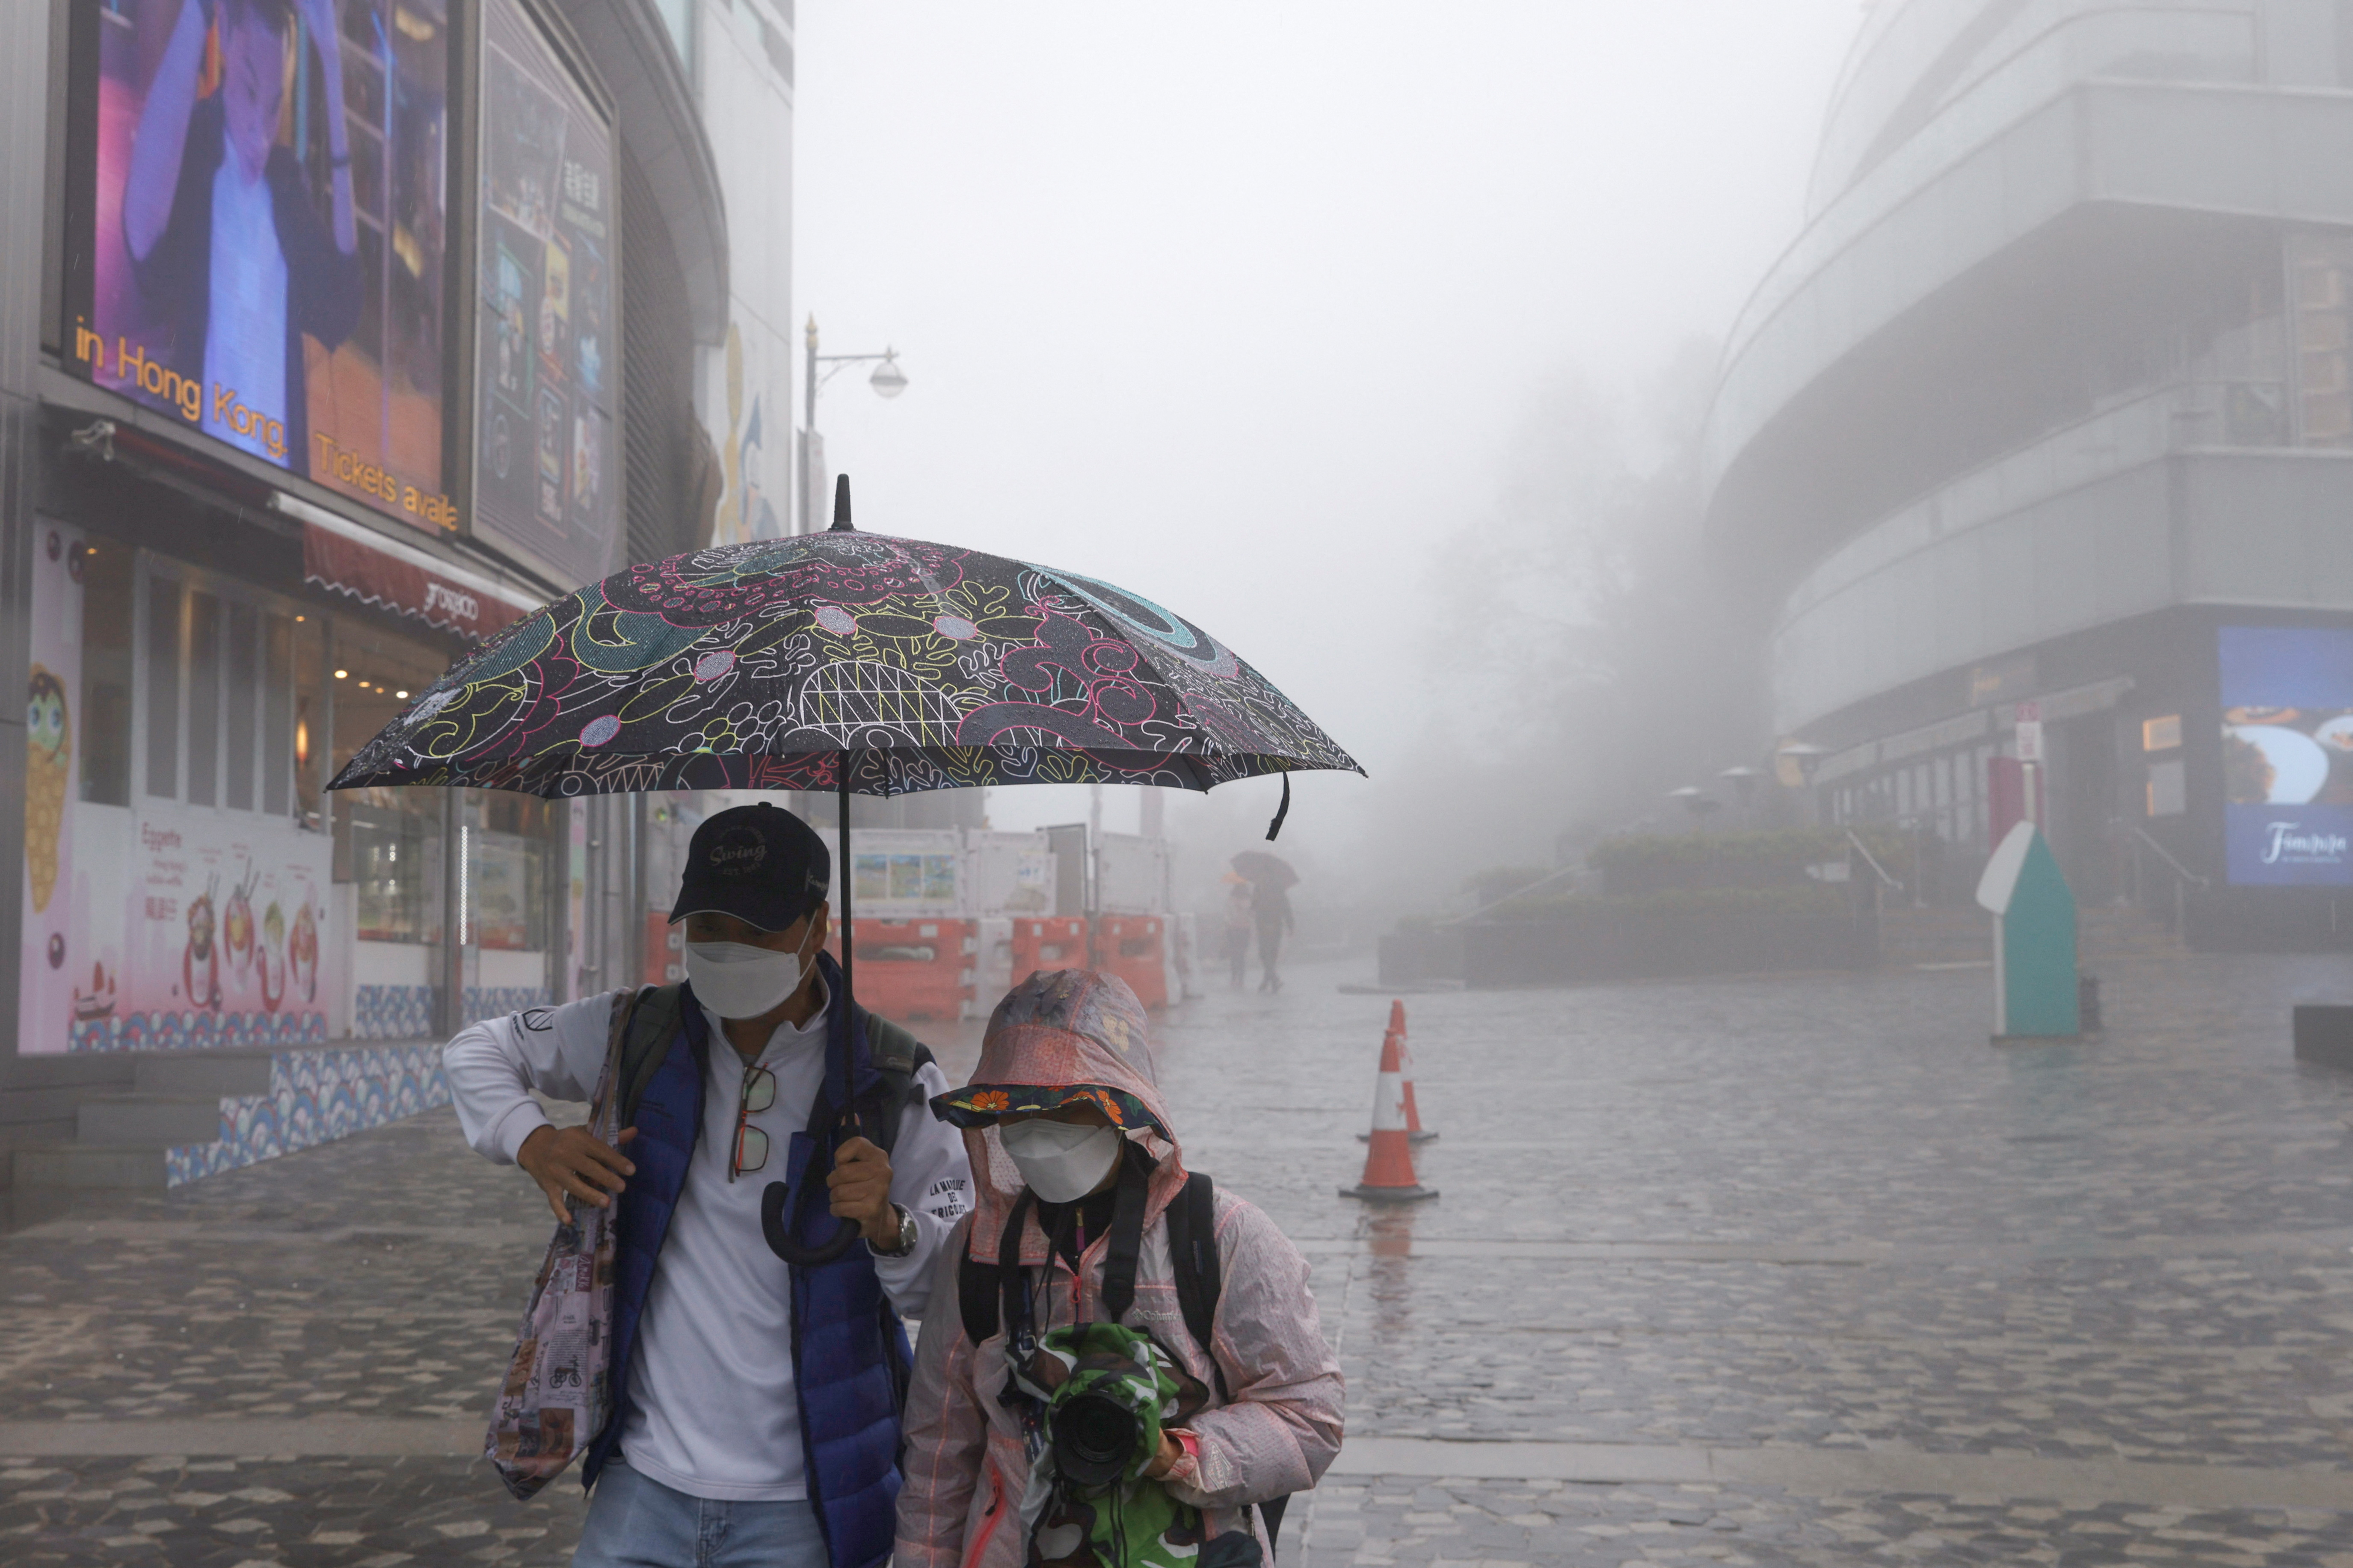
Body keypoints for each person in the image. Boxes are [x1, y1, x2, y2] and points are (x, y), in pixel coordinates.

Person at [445, 803, 974, 1568]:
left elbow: (945, 1289)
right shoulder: (636, 1032)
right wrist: (533, 1139)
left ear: (817, 926)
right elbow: (477, 1050)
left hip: (806, 1506)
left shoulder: (894, 1081)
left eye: (757, 932)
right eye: (709, 929)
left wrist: (891, 1227)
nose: (728, 953)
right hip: (642, 1486)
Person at [896, 967, 1342, 1568]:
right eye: (1016, 1105)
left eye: (1062, 1102)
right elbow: (938, 1448)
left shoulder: (1221, 1236)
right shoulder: (976, 1251)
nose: (1034, 1128)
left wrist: (1182, 1453)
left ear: (1119, 1104)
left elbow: (1308, 1415)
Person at [122, 0, 361, 466]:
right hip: (195, 485)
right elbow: (142, 233)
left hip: (277, 500)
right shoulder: (192, 157)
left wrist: (332, 68)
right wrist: (198, 13)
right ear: (226, 37)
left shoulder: (284, 187)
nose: (259, 134)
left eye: (274, 107)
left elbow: (344, 304)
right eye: (249, 92)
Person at [1251, 878, 1294, 994]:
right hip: (1275, 926)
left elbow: (1253, 907)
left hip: (1266, 926)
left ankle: (1272, 979)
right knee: (1270, 954)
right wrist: (1291, 926)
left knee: (1265, 953)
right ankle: (1270, 979)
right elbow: (1287, 908)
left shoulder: (1259, 889)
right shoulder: (1278, 890)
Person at [1221, 880, 1254, 990]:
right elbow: (1228, 915)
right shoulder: (1238, 901)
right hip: (1239, 930)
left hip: (1238, 930)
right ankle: (1238, 978)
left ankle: (1237, 978)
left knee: (1237, 955)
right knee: (1239, 955)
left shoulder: (1247, 901)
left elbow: (1251, 915)